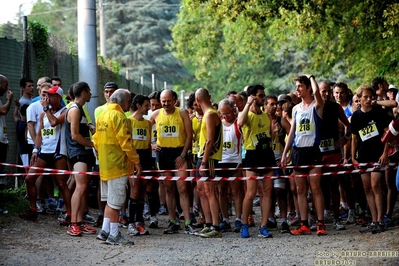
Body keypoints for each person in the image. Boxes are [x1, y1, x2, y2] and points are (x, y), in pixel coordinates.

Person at [93, 89, 140, 245]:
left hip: (105, 166)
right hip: (118, 166)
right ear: (122, 101)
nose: (129, 104)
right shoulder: (120, 117)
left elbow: (95, 141)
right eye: (128, 101)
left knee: (109, 201)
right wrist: (136, 161)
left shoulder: (102, 116)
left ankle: (105, 231)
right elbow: (127, 143)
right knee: (115, 204)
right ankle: (114, 234)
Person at [281, 75, 327, 236]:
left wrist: (312, 78)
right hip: (298, 152)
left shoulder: (317, 105)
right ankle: (304, 223)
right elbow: (292, 132)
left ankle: (321, 223)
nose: (297, 89)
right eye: (296, 86)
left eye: (300, 86)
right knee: (300, 190)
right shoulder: (295, 109)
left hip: (313, 150)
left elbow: (316, 92)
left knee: (315, 188)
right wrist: (285, 153)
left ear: (308, 88)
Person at [19, 86, 71, 224]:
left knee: (61, 183)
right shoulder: (43, 114)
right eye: (45, 95)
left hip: (58, 152)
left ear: (58, 98)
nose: (46, 98)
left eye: (50, 96)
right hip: (44, 151)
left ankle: (70, 214)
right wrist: (35, 151)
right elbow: (40, 134)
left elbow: (54, 122)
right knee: (30, 179)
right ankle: (33, 210)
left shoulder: (65, 111)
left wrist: (46, 108)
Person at [149, 90, 193, 234]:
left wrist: (182, 154)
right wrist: (151, 144)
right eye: (163, 101)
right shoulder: (155, 115)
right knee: (168, 189)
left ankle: (187, 221)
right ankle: (173, 221)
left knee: (183, 189)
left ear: (174, 100)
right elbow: (143, 129)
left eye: (168, 101)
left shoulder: (182, 113)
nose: (166, 104)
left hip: (179, 152)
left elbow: (189, 135)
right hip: (163, 153)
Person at [351, 84, 391, 234]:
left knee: (376, 186)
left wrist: (385, 152)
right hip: (363, 155)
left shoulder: (378, 112)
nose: (368, 99)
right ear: (359, 98)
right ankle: (374, 220)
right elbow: (354, 138)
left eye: (370, 97)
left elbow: (388, 131)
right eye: (365, 97)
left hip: (377, 154)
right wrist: (353, 157)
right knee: (367, 188)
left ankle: (381, 220)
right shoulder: (356, 116)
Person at [238, 84, 276, 238]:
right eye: (261, 95)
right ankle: (244, 224)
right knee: (250, 192)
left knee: (267, 192)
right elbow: (240, 123)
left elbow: (269, 137)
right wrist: (248, 103)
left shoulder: (266, 115)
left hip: (267, 155)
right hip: (252, 156)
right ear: (253, 96)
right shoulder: (247, 114)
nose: (264, 98)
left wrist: (273, 133)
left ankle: (263, 226)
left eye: (263, 95)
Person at [64, 81, 97, 236]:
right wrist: (93, 144)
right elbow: (75, 135)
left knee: (84, 187)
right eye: (89, 91)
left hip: (84, 152)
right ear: (84, 92)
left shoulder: (81, 109)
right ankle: (73, 223)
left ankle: (80, 221)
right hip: (78, 152)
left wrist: (89, 128)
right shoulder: (75, 109)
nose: (91, 94)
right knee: (80, 186)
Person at [318, 81, 350, 231]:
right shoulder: (313, 107)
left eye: (328, 91)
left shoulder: (335, 107)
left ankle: (336, 216)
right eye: (323, 91)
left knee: (334, 184)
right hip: (316, 152)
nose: (326, 94)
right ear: (317, 92)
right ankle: (323, 215)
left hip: (333, 151)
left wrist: (345, 138)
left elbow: (349, 125)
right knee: (319, 185)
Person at [194, 88, 223, 238]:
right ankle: (208, 223)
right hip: (201, 156)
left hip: (209, 157)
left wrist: (204, 162)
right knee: (201, 191)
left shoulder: (211, 114)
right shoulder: (206, 115)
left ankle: (215, 226)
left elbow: (210, 139)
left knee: (210, 192)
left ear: (197, 100)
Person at [92, 82, 118, 228]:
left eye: (112, 92)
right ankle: (102, 214)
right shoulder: (98, 110)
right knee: (101, 185)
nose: (109, 94)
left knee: (120, 186)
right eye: (106, 92)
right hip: (102, 153)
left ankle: (120, 215)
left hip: (117, 155)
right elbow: (97, 131)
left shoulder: (123, 110)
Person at [264, 95, 291, 233]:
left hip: (279, 160)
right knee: (268, 192)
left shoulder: (282, 121)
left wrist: (288, 155)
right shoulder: (261, 120)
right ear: (265, 106)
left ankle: (284, 220)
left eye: (276, 104)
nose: (275, 107)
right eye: (271, 104)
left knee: (280, 190)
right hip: (266, 161)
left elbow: (292, 135)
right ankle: (270, 218)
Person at [217, 98, 244, 233]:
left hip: (235, 162)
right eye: (222, 113)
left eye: (227, 113)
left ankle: (238, 219)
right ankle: (225, 219)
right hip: (220, 162)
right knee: (221, 191)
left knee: (236, 192)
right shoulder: (219, 124)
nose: (225, 116)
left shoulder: (238, 123)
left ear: (233, 110)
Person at [127, 94, 151, 236]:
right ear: (138, 106)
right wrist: (135, 161)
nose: (149, 108)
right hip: (134, 158)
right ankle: (130, 223)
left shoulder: (147, 123)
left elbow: (148, 144)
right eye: (146, 105)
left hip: (146, 157)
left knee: (143, 191)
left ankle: (139, 222)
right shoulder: (128, 121)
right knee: (134, 191)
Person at [0, 74, 13, 174]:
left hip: (2, 140)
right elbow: (4, 111)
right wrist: (9, 99)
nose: (6, 89)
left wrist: (5, 139)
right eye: (6, 85)